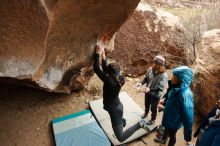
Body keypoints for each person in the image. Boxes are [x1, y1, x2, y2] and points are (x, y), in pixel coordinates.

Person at [93, 45, 148, 142]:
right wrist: (103, 54)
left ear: (110, 73)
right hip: (118, 105)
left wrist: (97, 54)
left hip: (115, 110)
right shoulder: (120, 78)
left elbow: (97, 68)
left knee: (121, 138)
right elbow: (105, 69)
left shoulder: (109, 81)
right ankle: (122, 121)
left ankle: (140, 124)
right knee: (119, 119)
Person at [159, 66, 194, 146]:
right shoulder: (175, 86)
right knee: (166, 129)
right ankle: (163, 139)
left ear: (181, 80)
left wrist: (187, 136)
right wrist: (164, 99)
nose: (171, 79)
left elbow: (189, 118)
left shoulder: (185, 96)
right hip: (168, 118)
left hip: (175, 121)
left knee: (172, 136)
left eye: (174, 77)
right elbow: (169, 94)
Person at [137, 55, 168, 125]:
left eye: (154, 63)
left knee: (153, 108)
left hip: (155, 95)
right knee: (146, 104)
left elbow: (160, 88)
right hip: (147, 92)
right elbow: (146, 78)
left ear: (158, 65)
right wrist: (140, 83)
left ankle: (153, 119)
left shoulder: (164, 75)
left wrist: (149, 89)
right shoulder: (150, 69)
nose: (153, 64)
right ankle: (146, 113)